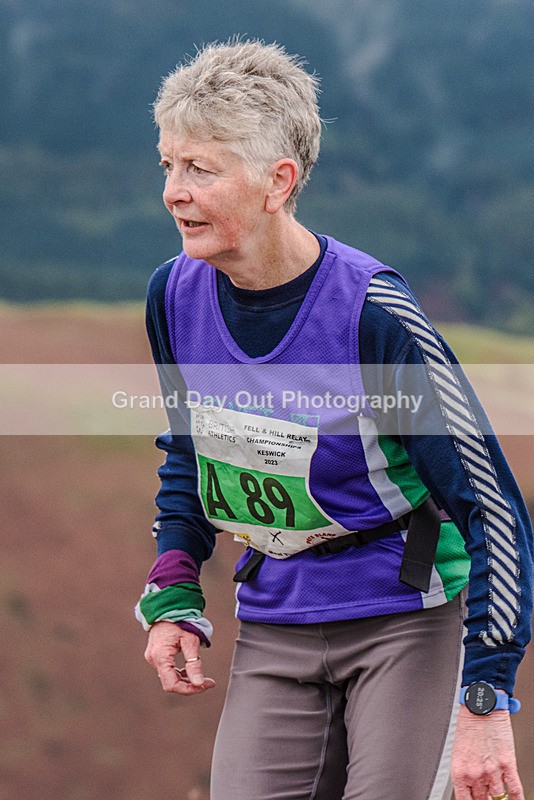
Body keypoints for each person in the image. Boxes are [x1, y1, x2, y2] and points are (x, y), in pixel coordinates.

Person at [135, 39, 533, 800]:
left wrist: (486, 697)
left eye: (201, 170)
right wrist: (174, 594)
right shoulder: (172, 295)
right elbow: (191, 456)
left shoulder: (377, 316)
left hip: (406, 620)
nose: (174, 193)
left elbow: (495, 510)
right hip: (275, 617)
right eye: (168, 166)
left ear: (277, 182)